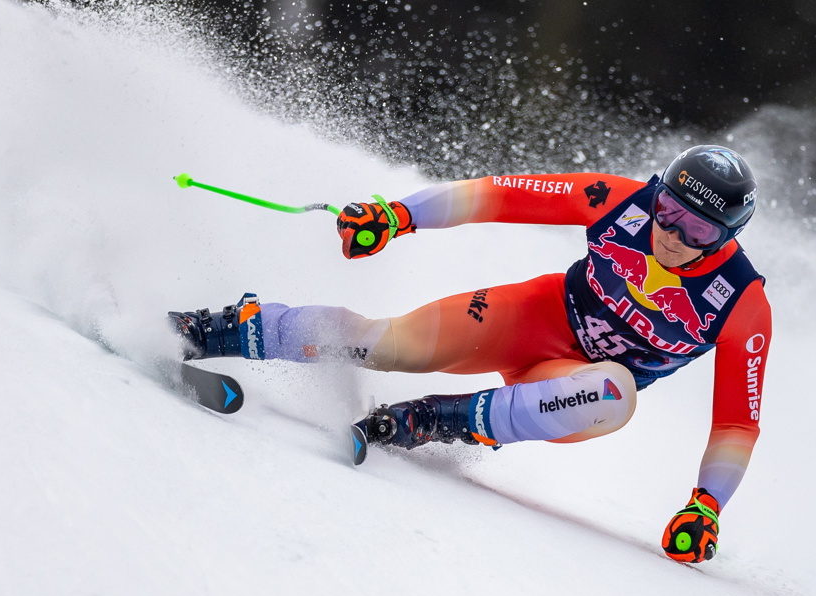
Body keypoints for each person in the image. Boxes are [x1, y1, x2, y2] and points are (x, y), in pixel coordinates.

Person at [169, 145, 771, 564]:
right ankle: (212, 329)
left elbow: (738, 421)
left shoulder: (742, 304)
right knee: (383, 344)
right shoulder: (623, 201)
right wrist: (400, 215)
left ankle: (429, 419)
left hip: (572, 385)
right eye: (668, 211)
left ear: (728, 238)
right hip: (532, 320)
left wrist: (707, 507)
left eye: (697, 232)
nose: (670, 234)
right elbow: (503, 194)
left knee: (615, 394)